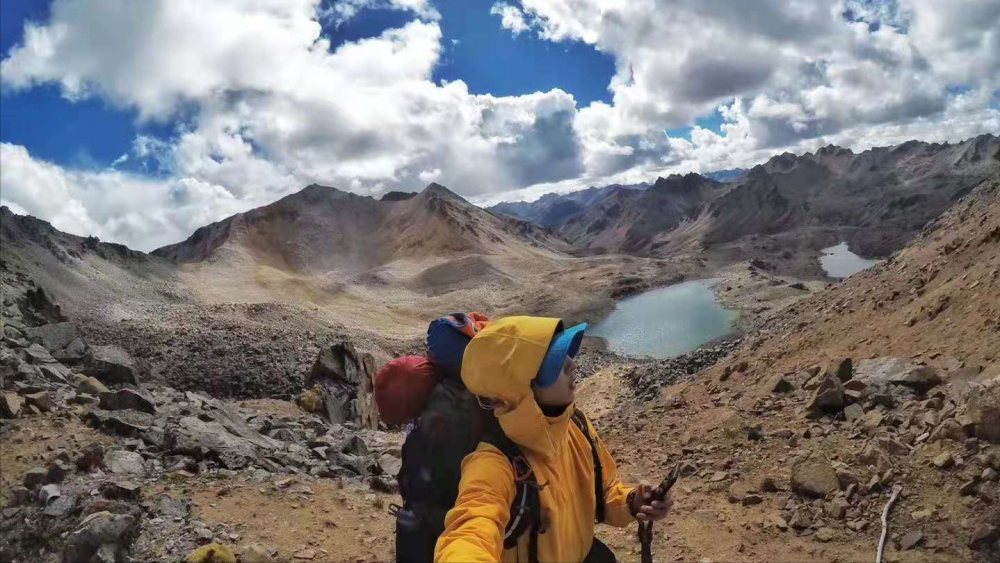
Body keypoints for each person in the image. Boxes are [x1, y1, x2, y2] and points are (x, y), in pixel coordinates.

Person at [434, 316, 673, 563]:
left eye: (566, 354)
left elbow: (604, 493)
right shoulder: (493, 463)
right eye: (555, 362)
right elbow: (470, 530)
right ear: (519, 389)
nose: (571, 364)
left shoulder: (575, 426)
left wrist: (633, 501)